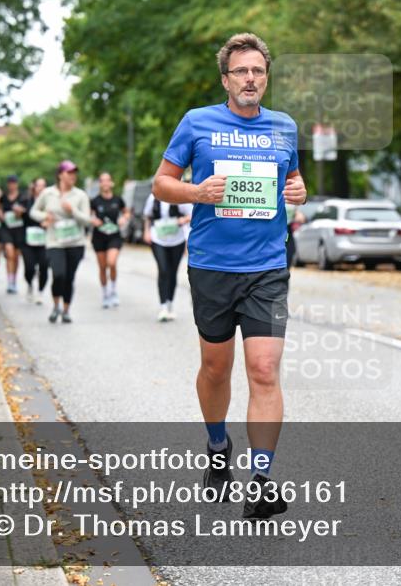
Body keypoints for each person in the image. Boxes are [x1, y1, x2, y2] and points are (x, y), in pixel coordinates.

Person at [151, 33, 306, 520]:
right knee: (216, 369)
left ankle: (261, 480)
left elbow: (293, 182)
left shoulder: (284, 128)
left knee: (263, 370)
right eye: (241, 71)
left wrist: (299, 191)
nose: (251, 79)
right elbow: (162, 183)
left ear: (266, 78)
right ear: (226, 79)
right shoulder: (197, 122)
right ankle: (218, 448)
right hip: (212, 266)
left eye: (258, 71)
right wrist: (197, 192)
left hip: (267, 267)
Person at [29, 160, 92, 324]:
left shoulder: (80, 195)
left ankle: (66, 310)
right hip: (54, 241)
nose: (73, 176)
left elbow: (87, 220)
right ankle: (56, 305)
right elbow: (33, 211)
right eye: (69, 173)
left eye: (74, 173)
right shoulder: (48, 193)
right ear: (60, 175)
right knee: (58, 275)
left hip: (75, 242)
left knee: (69, 278)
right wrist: (45, 217)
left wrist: (73, 211)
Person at [142, 192, 192, 321]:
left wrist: (183, 219)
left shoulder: (180, 195)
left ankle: (170, 303)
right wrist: (146, 231)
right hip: (158, 238)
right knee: (163, 270)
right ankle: (163, 306)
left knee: (172, 272)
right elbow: (147, 215)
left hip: (177, 240)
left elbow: (192, 214)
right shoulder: (153, 196)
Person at [89, 172, 130, 308]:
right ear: (100, 184)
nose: (105, 183)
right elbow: (88, 215)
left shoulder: (118, 200)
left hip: (114, 236)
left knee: (111, 262)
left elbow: (126, 211)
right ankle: (105, 293)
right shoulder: (95, 201)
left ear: (111, 183)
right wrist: (93, 220)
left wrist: (124, 218)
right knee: (102, 267)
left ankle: (113, 290)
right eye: (102, 181)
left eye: (107, 180)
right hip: (99, 237)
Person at [21, 178, 49, 304]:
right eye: (39, 185)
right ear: (34, 187)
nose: (41, 188)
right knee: (29, 267)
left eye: (44, 186)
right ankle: (30, 284)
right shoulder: (27, 200)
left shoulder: (50, 201)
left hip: (45, 239)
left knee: (44, 266)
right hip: (28, 238)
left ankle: (41, 291)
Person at [0, 175, 27, 294]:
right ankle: (9, 281)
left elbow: (26, 211)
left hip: (19, 229)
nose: (12, 185)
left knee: (15, 257)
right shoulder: (3, 197)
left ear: (17, 184)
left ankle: (14, 280)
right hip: (6, 228)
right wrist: (1, 215)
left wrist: (19, 212)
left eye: (14, 183)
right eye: (10, 183)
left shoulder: (22, 197)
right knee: (9, 254)